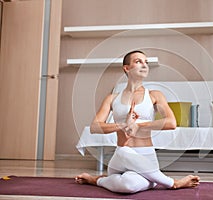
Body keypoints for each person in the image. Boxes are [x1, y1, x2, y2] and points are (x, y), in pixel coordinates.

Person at [75, 50, 200, 193]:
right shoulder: (112, 98)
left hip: (145, 157)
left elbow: (171, 123)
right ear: (127, 68)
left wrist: (137, 125)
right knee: (123, 151)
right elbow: (95, 127)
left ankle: (97, 180)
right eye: (138, 61)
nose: (144, 64)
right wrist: (123, 125)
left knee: (128, 185)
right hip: (120, 159)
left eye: (146, 62)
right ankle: (173, 183)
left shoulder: (154, 95)